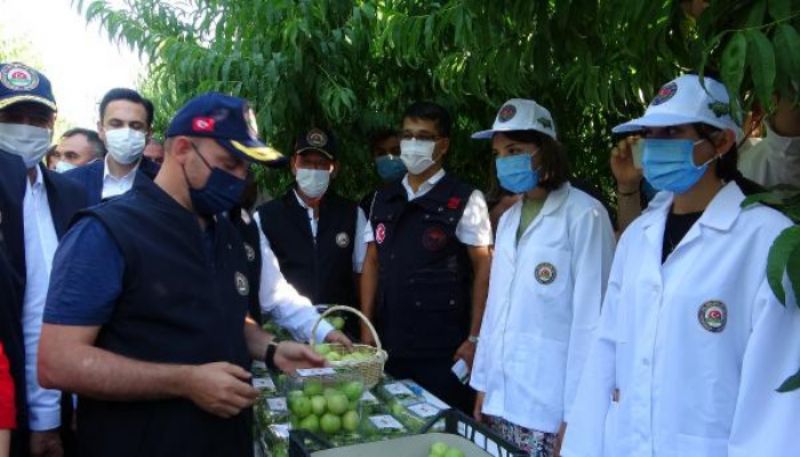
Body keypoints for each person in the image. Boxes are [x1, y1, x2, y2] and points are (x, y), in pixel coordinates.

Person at [37, 93, 325, 457]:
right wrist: (185, 381)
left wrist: (271, 350)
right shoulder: (107, 233)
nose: (240, 178)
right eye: (230, 163)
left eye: (246, 167)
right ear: (183, 149)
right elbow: (57, 363)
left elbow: (221, 316)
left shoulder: (227, 232)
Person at [561, 74, 800, 457]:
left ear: (721, 141)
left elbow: (773, 399)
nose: (655, 149)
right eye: (650, 136)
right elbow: (606, 350)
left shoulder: (767, 240)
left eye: (671, 133)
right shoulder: (639, 237)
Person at [469, 99, 616, 456]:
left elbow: (592, 325)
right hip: (503, 400)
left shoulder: (585, 215)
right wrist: (484, 385)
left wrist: (578, 414)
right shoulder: (507, 220)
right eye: (499, 153)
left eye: (515, 150)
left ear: (545, 150)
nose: (506, 161)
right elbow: (496, 311)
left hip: (552, 410)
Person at [360, 101, 492, 413]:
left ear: (443, 145)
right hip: (390, 346)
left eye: (423, 137)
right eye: (407, 135)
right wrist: (366, 329)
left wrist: (475, 337)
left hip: (443, 350)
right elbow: (372, 262)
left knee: (440, 434)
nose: (412, 144)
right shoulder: (383, 197)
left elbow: (484, 266)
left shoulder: (464, 199)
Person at [0, 62, 88, 457]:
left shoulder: (69, 194)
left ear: (52, 123)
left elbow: (63, 306)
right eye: (11, 117)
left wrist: (60, 407)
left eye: (36, 118)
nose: (24, 127)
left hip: (68, 399)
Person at [255, 128, 367, 337]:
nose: (313, 170)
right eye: (306, 162)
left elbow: (362, 273)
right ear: (293, 165)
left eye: (321, 164)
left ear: (334, 169)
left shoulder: (351, 214)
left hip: (341, 331)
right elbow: (267, 289)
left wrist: (365, 325)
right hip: (286, 334)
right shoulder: (267, 217)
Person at [64, 88, 159, 205]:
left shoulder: (164, 182)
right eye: (116, 124)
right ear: (100, 129)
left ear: (148, 134)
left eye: (136, 126)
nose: (126, 133)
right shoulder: (71, 183)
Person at [359, 129, 405, 217]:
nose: (389, 157)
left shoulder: (421, 195)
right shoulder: (369, 204)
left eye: (395, 151)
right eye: (381, 153)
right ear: (373, 159)